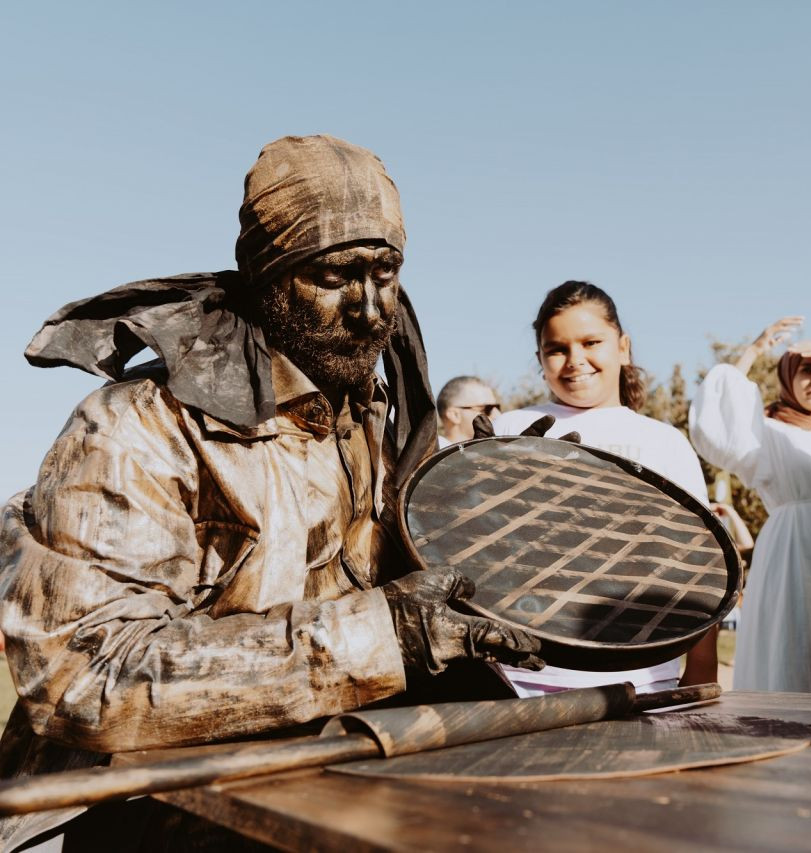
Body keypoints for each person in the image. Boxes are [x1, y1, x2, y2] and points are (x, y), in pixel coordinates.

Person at [0, 135, 543, 849]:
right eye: (335, 275)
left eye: (386, 271)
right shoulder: (138, 428)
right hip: (161, 808)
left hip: (337, 781)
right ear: (267, 278)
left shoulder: (379, 417)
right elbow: (85, 673)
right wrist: (384, 635)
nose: (371, 308)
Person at [490, 281, 720, 695]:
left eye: (591, 342)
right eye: (557, 349)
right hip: (523, 673)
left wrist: (703, 667)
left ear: (623, 347)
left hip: (644, 672)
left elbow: (700, 562)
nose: (575, 359)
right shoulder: (510, 429)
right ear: (540, 359)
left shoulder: (663, 441)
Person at [689, 317, 811, 695]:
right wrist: (752, 351)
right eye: (804, 370)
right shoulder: (767, 432)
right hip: (790, 549)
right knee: (791, 637)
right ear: (787, 376)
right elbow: (718, 423)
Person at [437, 375, 501, 447]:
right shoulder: (433, 456)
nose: (498, 415)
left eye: (497, 408)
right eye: (487, 409)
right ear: (455, 415)